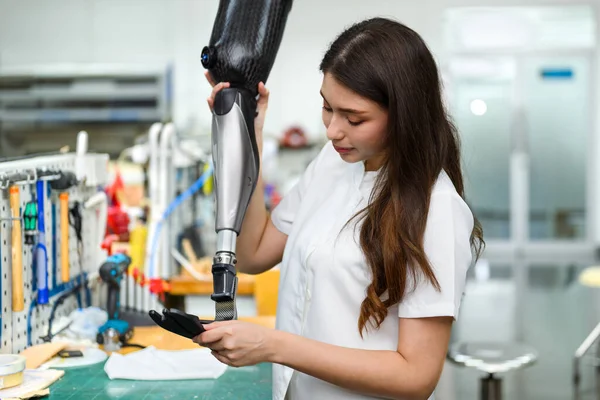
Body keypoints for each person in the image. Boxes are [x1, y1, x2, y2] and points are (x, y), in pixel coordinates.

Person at [194, 17, 484, 400]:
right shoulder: (333, 164)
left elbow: (417, 376)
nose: (332, 130)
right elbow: (252, 252)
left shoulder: (437, 209)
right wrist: (248, 137)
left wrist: (274, 345)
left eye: (354, 118)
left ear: (404, 115)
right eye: (327, 107)